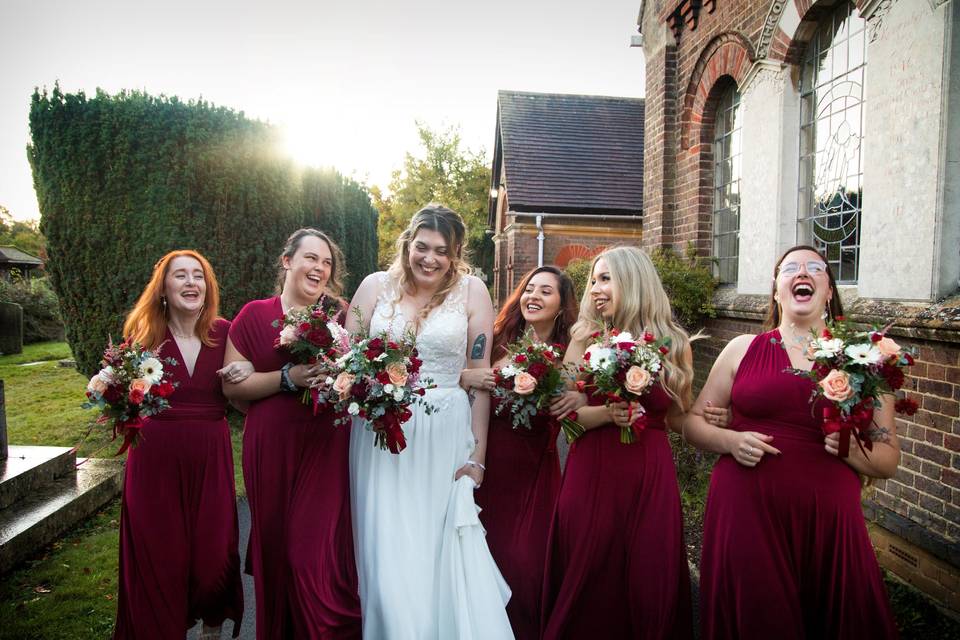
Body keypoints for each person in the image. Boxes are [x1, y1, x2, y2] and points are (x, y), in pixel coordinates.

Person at [683, 244, 900, 639]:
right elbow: (693, 423)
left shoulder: (864, 361)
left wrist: (854, 451)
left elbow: (887, 461)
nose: (803, 273)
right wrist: (730, 440)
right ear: (777, 288)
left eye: (815, 268)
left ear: (829, 290)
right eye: (791, 269)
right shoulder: (742, 349)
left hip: (829, 520)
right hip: (745, 509)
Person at [347, 204, 508, 639]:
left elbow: (480, 377)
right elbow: (347, 364)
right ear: (407, 243)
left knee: (437, 550)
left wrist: (477, 457)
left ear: (455, 253)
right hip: (380, 435)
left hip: (445, 433)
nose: (430, 259)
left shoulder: (473, 291)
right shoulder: (374, 287)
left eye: (442, 250)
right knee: (386, 557)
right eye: (422, 247)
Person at [540, 245, 694, 640]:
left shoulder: (674, 343)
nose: (595, 289)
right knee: (588, 577)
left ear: (633, 281)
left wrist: (720, 418)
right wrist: (607, 414)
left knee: (647, 578)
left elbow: (677, 416)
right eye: (593, 280)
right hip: (591, 475)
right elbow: (563, 416)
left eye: (605, 279)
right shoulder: (584, 338)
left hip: (649, 477)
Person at [222, 229, 361, 639]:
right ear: (287, 261)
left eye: (327, 263)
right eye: (311, 258)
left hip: (325, 446)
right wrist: (287, 378)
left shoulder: (341, 314)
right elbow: (233, 391)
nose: (319, 268)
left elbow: (357, 373)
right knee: (278, 549)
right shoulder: (252, 315)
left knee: (312, 553)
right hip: (271, 446)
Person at [113, 250, 249, 640]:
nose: (191, 283)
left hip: (210, 459)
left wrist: (247, 371)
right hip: (155, 465)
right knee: (161, 559)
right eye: (181, 276)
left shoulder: (225, 333)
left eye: (199, 276)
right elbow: (124, 398)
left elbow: (241, 397)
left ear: (208, 288)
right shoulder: (143, 337)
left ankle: (211, 630)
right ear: (164, 288)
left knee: (214, 558)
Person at [459, 266, 579, 640]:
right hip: (485, 470)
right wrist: (466, 377)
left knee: (525, 567)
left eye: (546, 291)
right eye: (530, 289)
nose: (534, 296)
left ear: (561, 305)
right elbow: (458, 377)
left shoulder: (567, 357)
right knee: (480, 563)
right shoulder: (497, 342)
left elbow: (575, 404)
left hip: (533, 479)